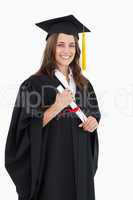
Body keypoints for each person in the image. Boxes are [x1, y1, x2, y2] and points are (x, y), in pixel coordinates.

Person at [4, 15, 101, 200]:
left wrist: (93, 122)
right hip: (51, 167)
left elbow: (94, 114)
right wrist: (56, 106)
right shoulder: (33, 85)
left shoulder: (84, 84)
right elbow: (21, 131)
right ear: (51, 48)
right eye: (60, 44)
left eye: (71, 45)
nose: (67, 50)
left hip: (81, 166)